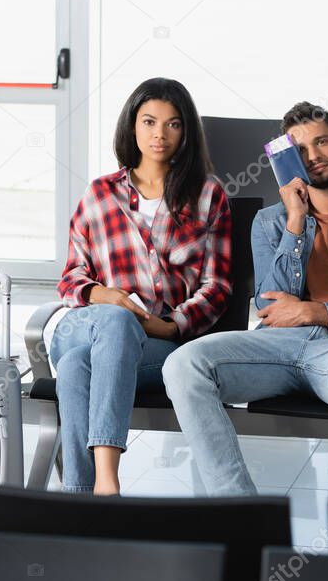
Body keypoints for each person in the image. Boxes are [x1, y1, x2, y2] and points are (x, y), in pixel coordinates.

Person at [163, 101, 328, 505]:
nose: (313, 156)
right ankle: (239, 512)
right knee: (184, 364)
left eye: (322, 142)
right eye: (300, 150)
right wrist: (295, 221)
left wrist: (314, 310)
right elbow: (269, 304)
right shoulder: (271, 222)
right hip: (281, 346)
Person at [51, 77, 231, 495]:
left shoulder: (208, 196)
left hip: (156, 342)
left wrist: (170, 326)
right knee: (114, 322)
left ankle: (80, 499)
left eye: (172, 124)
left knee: (79, 367)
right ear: (132, 125)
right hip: (86, 324)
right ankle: (109, 484)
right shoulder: (100, 193)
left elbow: (217, 286)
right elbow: (71, 277)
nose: (159, 134)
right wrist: (107, 297)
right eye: (149, 122)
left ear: (186, 132)